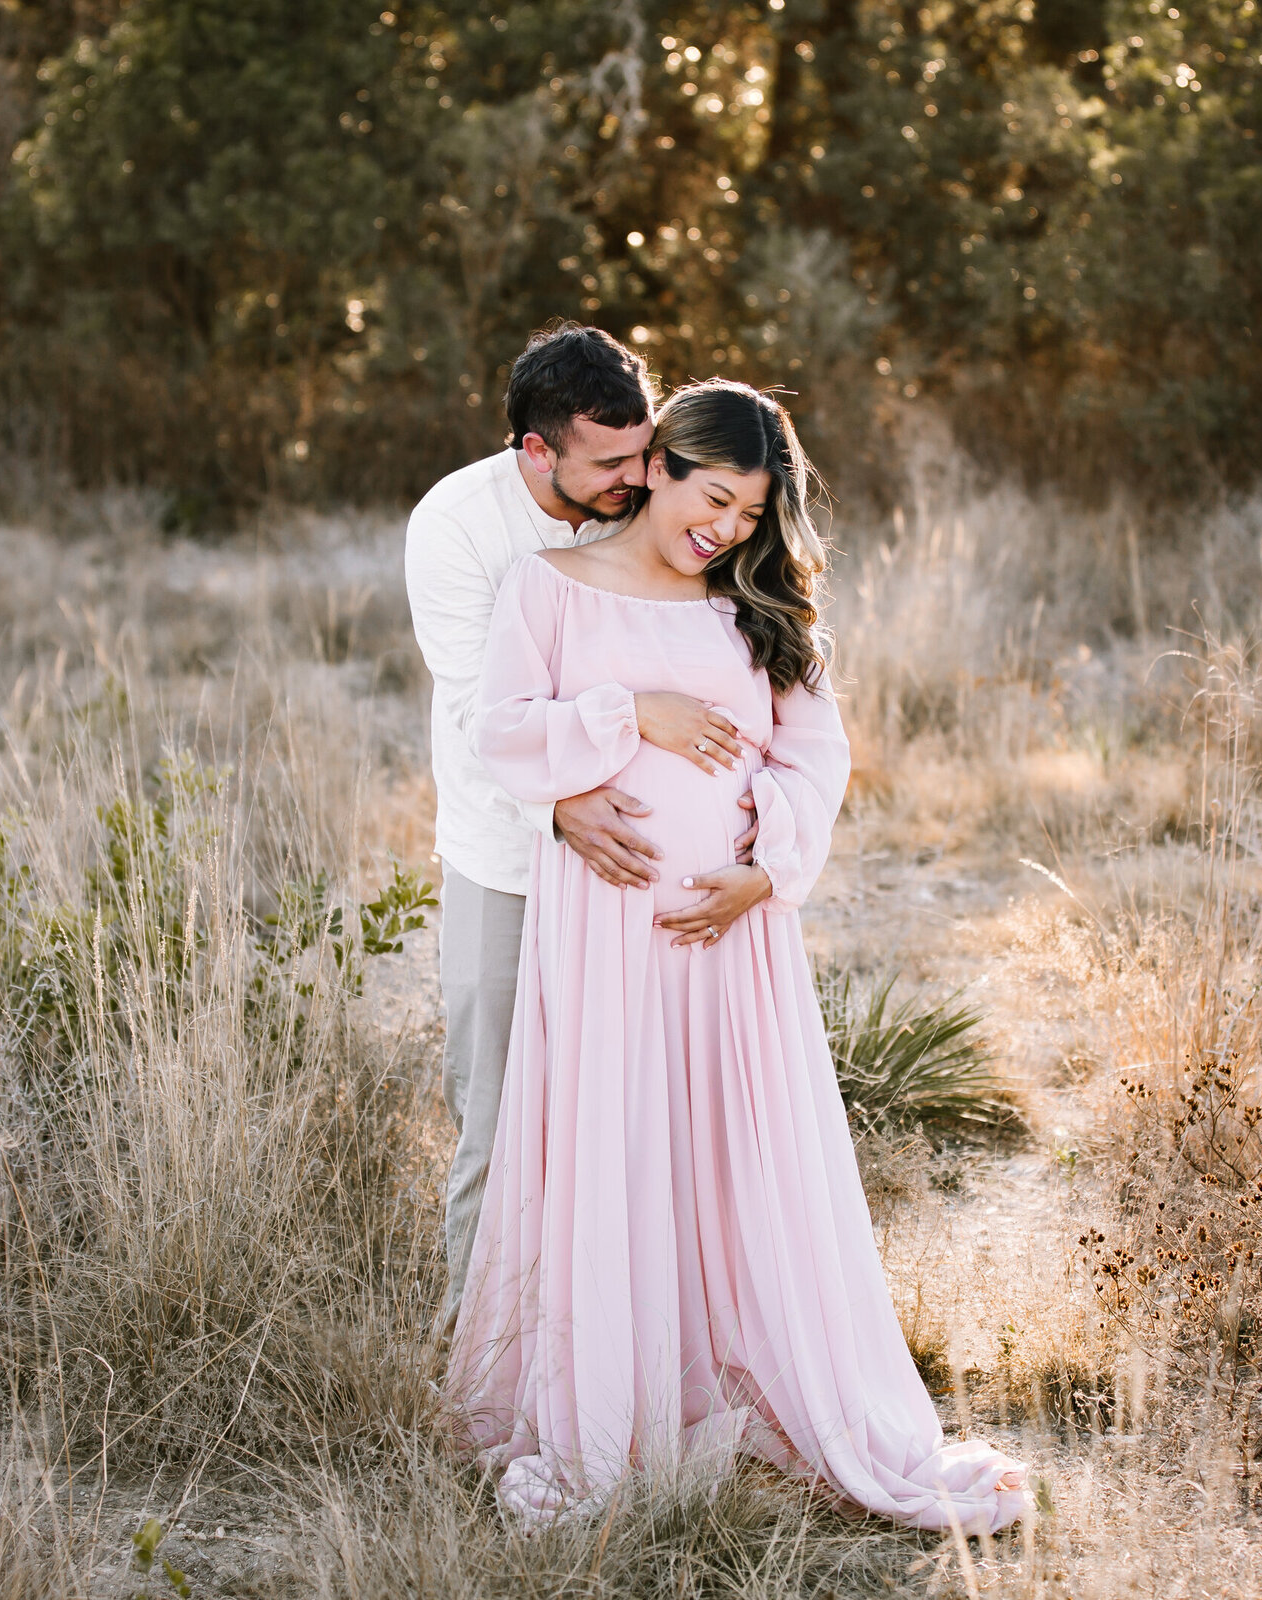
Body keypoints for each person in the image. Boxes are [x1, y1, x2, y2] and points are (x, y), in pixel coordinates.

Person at [446, 380, 1030, 1533]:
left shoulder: (750, 608)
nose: (726, 529)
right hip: (608, 935)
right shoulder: (547, 589)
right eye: (713, 497)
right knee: (618, 1148)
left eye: (751, 514)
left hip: (734, 943)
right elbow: (503, 731)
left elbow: (817, 752)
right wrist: (629, 713)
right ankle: (617, 1402)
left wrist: (768, 867)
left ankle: (753, 1376)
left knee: (731, 1155)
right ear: (657, 465)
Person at [406, 323, 754, 1343]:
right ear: (535, 451)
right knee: (496, 1112)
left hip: (640, 881)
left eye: (644, 450)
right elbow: (478, 710)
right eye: (608, 462)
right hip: (506, 859)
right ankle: (475, 1346)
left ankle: (623, 1335)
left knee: (636, 1116)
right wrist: (557, 803)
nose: (636, 478)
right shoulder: (458, 527)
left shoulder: (652, 486)